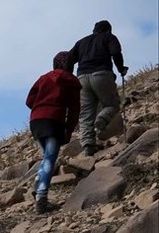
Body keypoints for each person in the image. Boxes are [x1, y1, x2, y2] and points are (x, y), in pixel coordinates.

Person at [26, 51, 82, 214]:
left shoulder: (44, 77)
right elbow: (74, 110)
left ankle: (38, 182)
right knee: (50, 157)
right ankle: (41, 197)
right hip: (54, 120)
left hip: (36, 121)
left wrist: (40, 108)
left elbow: (29, 100)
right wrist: (68, 130)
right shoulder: (71, 81)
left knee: (46, 156)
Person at [64, 20, 128, 156]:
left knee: (85, 113)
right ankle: (101, 120)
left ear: (94, 30)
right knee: (112, 105)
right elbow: (116, 52)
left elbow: (68, 58)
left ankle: (88, 145)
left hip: (82, 78)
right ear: (108, 30)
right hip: (102, 74)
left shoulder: (81, 42)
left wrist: (67, 75)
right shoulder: (109, 37)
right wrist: (121, 69)